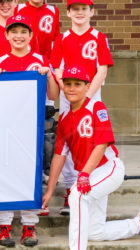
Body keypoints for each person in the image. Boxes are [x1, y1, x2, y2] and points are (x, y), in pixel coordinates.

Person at [42, 65, 140, 250]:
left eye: (77, 84)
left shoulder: (96, 107)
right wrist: (50, 190)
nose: (71, 88)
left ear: (87, 87)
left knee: (76, 196)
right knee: (95, 232)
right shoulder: (64, 119)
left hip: (107, 169)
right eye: (68, 84)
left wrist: (84, 174)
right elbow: (58, 156)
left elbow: (101, 144)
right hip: (89, 175)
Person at [0, 14, 58, 247]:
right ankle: (4, 227)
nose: (19, 36)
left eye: (23, 32)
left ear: (30, 35)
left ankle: (29, 226)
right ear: (7, 35)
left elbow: (54, 95)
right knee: (5, 175)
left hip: (32, 129)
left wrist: (47, 75)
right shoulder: (0, 61)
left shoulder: (40, 59)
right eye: (14, 32)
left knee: (32, 176)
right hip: (7, 129)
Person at [50, 0, 114, 216]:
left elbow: (102, 70)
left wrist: (86, 96)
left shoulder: (98, 37)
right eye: (75, 9)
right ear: (68, 12)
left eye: (84, 9)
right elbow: (58, 69)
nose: (79, 13)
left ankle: (94, 186)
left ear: (91, 11)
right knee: (68, 144)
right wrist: (70, 93)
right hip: (69, 98)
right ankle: (70, 190)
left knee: (93, 141)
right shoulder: (62, 39)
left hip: (92, 96)